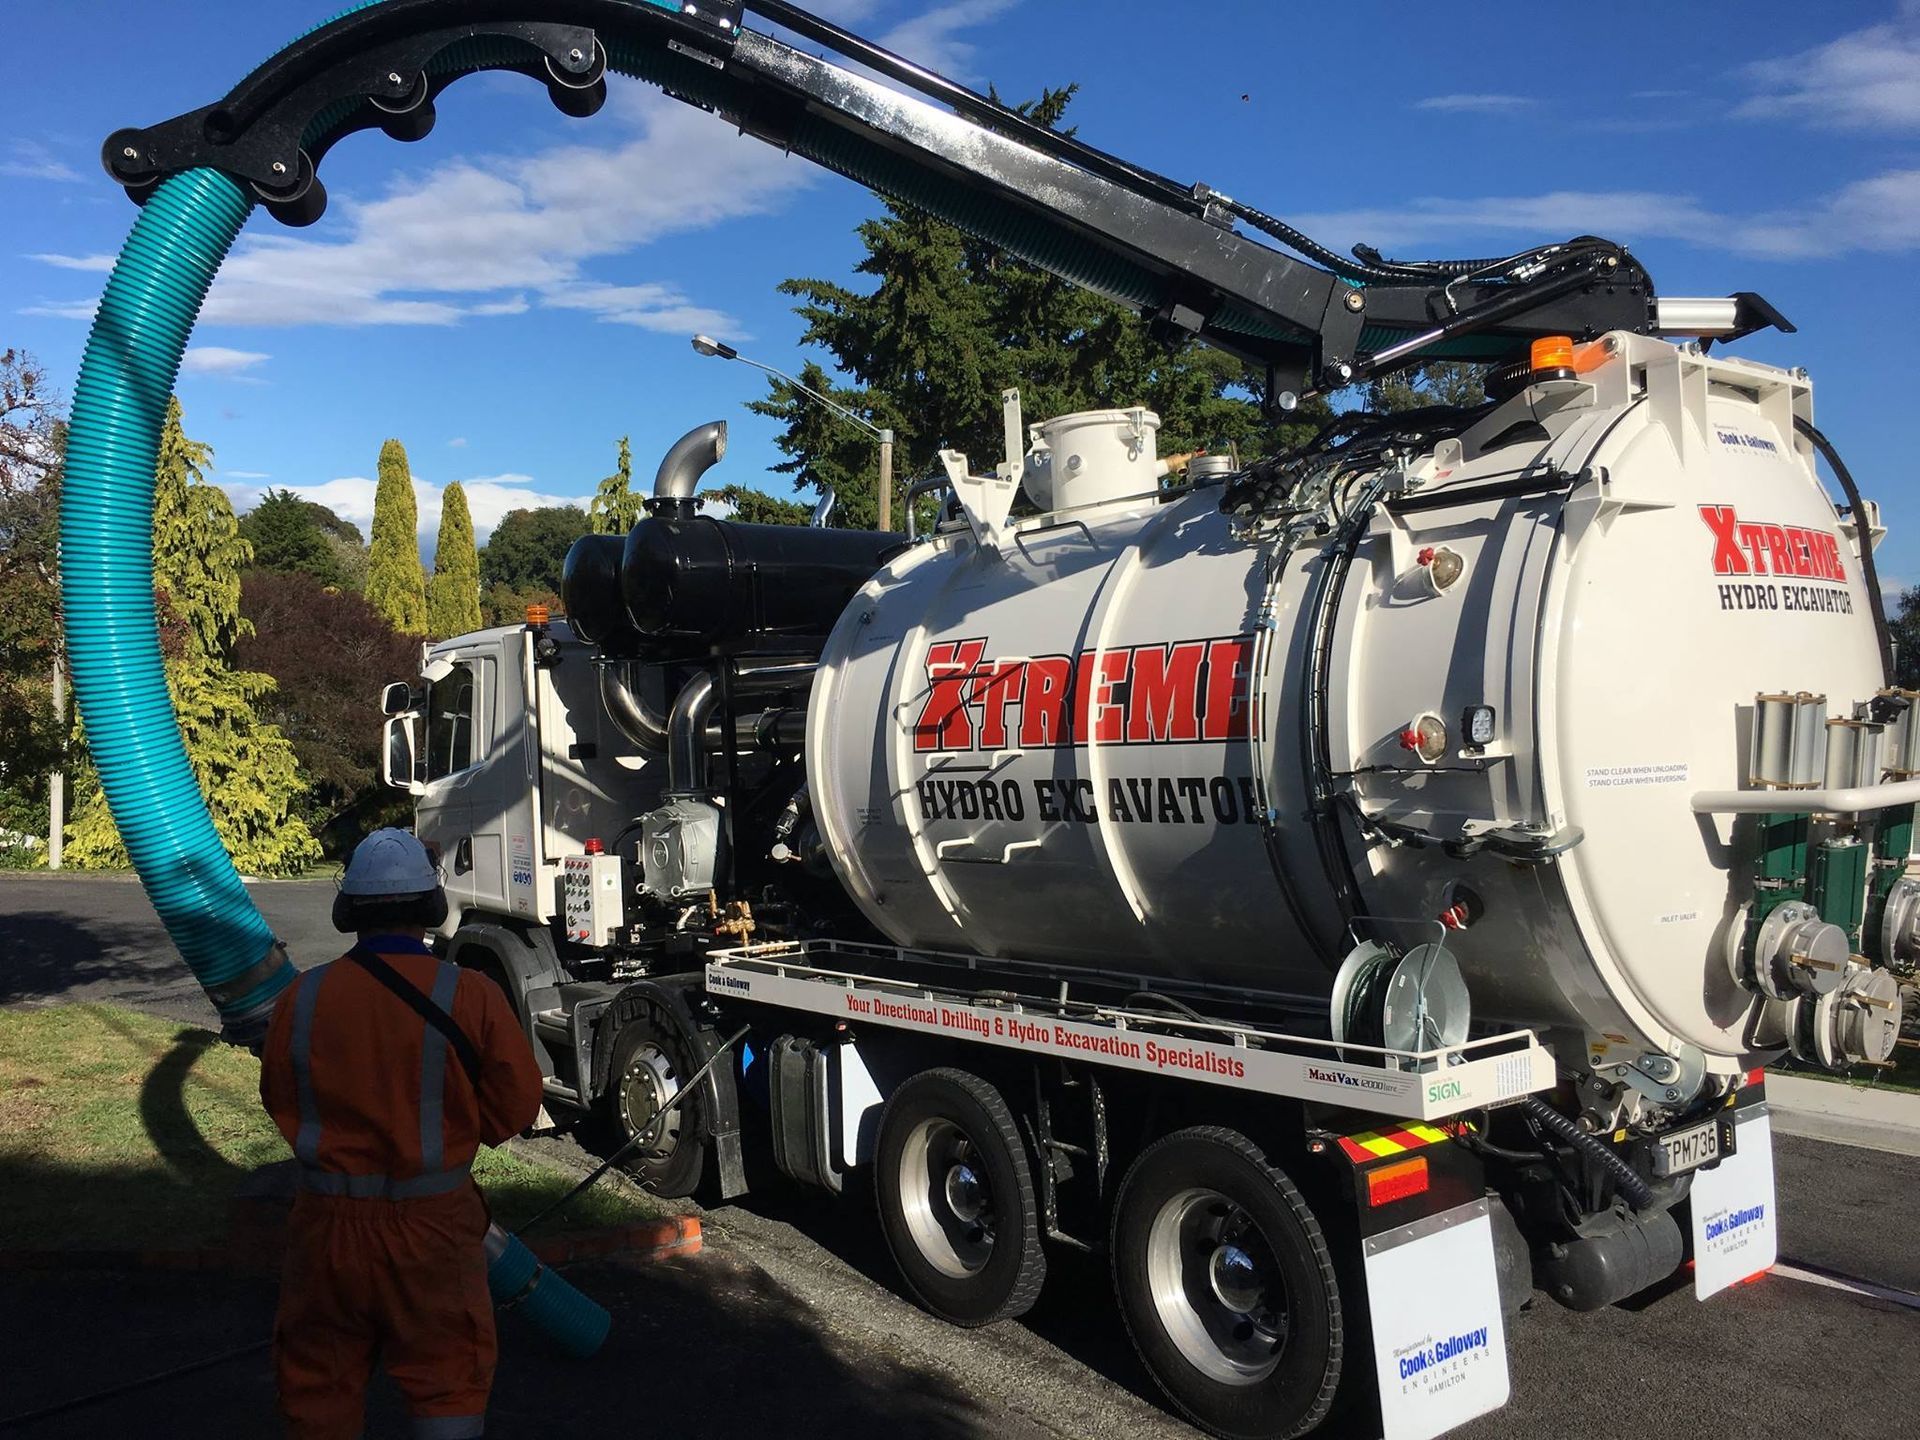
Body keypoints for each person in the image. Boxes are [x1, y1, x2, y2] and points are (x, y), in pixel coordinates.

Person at [259, 828, 544, 1440]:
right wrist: (461, 1135)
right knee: (447, 1378)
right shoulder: (471, 995)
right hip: (433, 1228)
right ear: (430, 907)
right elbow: (519, 1103)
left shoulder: (300, 999)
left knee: (319, 1383)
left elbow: (280, 1099)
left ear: (348, 910)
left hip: (325, 1229)